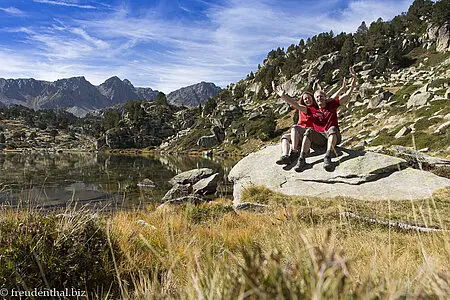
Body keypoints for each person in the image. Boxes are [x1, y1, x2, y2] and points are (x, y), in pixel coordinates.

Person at [274, 66, 357, 172]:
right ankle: (301, 159)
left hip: (334, 135)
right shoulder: (311, 110)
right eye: (317, 97)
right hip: (320, 138)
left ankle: (328, 156)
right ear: (315, 99)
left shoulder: (332, 104)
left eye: (321, 96)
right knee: (309, 131)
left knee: (331, 128)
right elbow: (296, 104)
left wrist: (353, 82)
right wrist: (283, 96)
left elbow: (347, 95)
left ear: (325, 97)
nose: (319, 98)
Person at [275, 91, 315, 165]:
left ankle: (294, 151)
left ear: (313, 98)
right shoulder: (302, 106)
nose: (307, 100)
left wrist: (283, 96)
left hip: (307, 134)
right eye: (305, 99)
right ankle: (285, 156)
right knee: (285, 137)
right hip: (298, 134)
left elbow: (294, 104)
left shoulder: (310, 109)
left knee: (295, 127)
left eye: (308, 98)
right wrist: (284, 96)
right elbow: (293, 103)